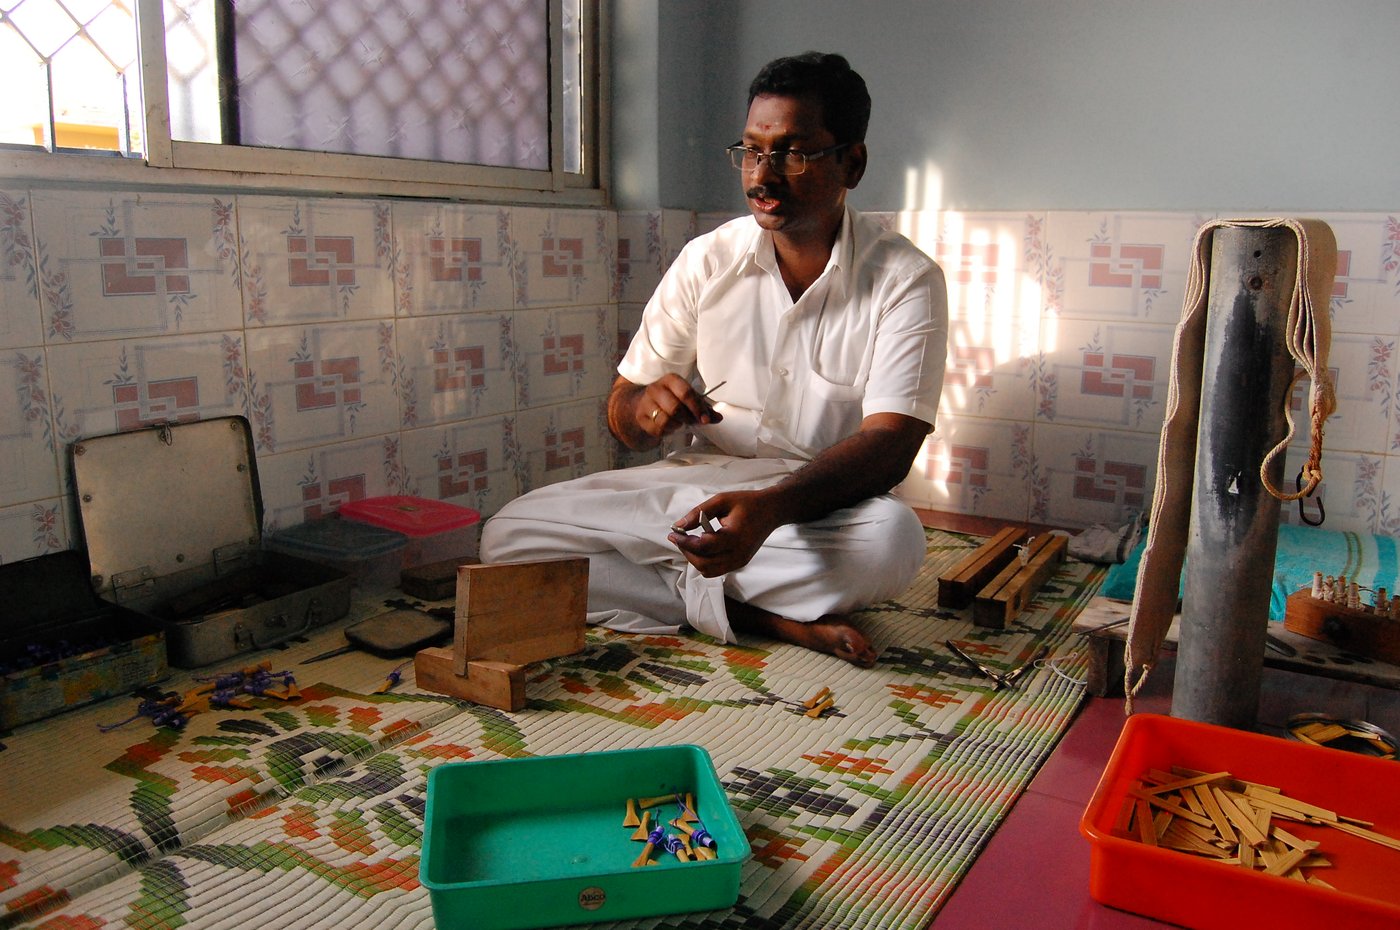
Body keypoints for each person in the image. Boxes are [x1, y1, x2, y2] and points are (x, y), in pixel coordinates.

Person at [480, 51, 947, 667]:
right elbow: (623, 414)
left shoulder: (906, 280)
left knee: (891, 541)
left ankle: (684, 589)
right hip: (693, 494)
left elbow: (890, 447)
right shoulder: (707, 260)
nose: (764, 175)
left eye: (793, 152)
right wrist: (647, 408)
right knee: (509, 535)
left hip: (812, 509)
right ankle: (759, 615)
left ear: (851, 163)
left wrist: (770, 510)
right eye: (753, 151)